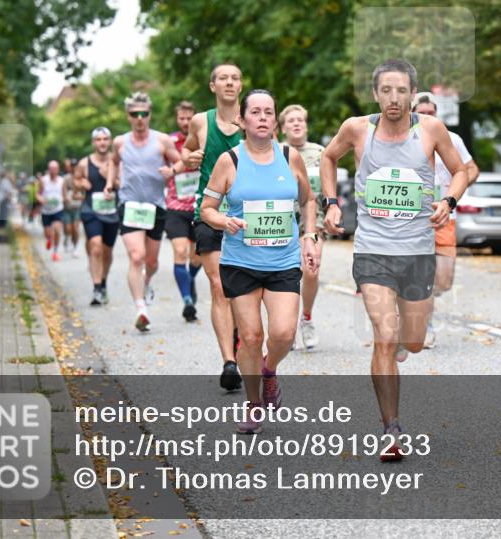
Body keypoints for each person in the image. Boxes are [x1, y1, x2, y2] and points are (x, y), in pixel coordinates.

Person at [320, 59, 467, 460]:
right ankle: (392, 429)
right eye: (386, 90)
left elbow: (460, 171)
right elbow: (328, 158)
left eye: (401, 90)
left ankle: (408, 336)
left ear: (412, 94)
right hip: (373, 251)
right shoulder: (357, 129)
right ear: (375, 94)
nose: (394, 98)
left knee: (413, 343)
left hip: (418, 252)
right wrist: (331, 204)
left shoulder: (431, 130)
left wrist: (448, 201)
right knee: (384, 339)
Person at [199, 90, 320, 434]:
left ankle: (269, 371)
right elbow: (206, 209)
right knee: (250, 336)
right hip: (240, 261)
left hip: (282, 260)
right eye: (256, 111)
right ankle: (253, 405)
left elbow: (308, 201)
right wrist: (224, 221)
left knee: (282, 334)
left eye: (269, 111)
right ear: (242, 119)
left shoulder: (289, 156)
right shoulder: (230, 161)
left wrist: (308, 236)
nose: (263, 117)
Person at [178, 62, 244, 391]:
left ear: (241, 86)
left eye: (235, 78)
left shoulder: (252, 120)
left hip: (247, 218)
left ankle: (238, 336)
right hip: (208, 212)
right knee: (219, 286)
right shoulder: (201, 121)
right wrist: (189, 157)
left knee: (241, 290)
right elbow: (188, 149)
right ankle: (229, 362)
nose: (229, 82)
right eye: (223, 78)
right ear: (212, 86)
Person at [104, 92, 182, 332]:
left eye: (144, 113)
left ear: (149, 114)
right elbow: (114, 162)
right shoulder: (120, 142)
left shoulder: (161, 141)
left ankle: (147, 282)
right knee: (136, 257)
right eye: (134, 114)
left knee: (152, 261)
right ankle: (141, 309)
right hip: (129, 204)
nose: (139, 118)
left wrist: (173, 171)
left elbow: (180, 161)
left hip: (155, 206)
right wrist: (110, 183)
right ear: (128, 116)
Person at [410, 93, 480, 348]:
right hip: (414, 218)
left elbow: (472, 169)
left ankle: (420, 299)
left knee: (443, 280)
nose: (428, 117)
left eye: (432, 113)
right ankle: (424, 323)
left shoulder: (452, 139)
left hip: (444, 216)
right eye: (423, 113)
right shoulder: (404, 139)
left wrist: (453, 191)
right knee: (423, 275)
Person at [278, 104, 326, 349]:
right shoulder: (276, 152)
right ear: (283, 127)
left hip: (313, 219)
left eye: (300, 120)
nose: (296, 124)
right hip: (283, 220)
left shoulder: (320, 152)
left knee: (311, 270)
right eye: (291, 121)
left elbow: (329, 187)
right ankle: (287, 325)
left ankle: (306, 317)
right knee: (288, 274)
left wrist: (332, 211)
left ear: (305, 125)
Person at [164, 101, 205, 322]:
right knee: (180, 252)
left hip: (201, 207)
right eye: (182, 118)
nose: (186, 122)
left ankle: (188, 279)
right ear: (177, 119)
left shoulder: (205, 139)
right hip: (175, 207)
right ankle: (188, 300)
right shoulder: (169, 142)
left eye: (189, 118)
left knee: (198, 257)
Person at [75, 127, 120, 307]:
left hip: (111, 212)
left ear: (110, 142)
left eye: (105, 139)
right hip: (91, 210)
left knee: (107, 252)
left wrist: (110, 179)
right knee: (95, 247)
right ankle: (96, 287)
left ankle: (103, 282)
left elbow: (124, 184)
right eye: (98, 139)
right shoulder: (84, 163)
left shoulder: (116, 162)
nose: (102, 142)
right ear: (94, 142)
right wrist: (81, 183)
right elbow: (76, 179)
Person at [38, 161, 66, 262]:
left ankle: (55, 252)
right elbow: (38, 193)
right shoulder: (43, 180)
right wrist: (40, 199)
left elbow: (64, 194)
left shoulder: (61, 181)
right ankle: (49, 239)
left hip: (58, 209)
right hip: (46, 210)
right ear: (48, 169)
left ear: (58, 169)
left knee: (57, 229)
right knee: (48, 233)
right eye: (51, 168)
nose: (53, 170)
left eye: (55, 168)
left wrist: (65, 199)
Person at [62, 158, 84, 256]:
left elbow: (85, 192)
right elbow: (64, 191)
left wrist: (82, 198)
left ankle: (75, 247)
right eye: (73, 166)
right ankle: (67, 239)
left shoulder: (82, 178)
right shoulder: (66, 178)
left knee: (76, 228)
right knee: (68, 228)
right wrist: (66, 197)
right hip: (68, 207)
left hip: (78, 207)